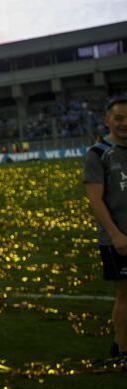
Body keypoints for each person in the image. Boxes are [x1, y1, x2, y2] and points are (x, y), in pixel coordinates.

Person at [83, 96, 127, 358]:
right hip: (118, 237)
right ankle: (122, 350)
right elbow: (95, 200)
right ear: (107, 120)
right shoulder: (98, 153)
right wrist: (115, 234)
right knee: (124, 294)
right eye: (119, 118)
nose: (124, 123)